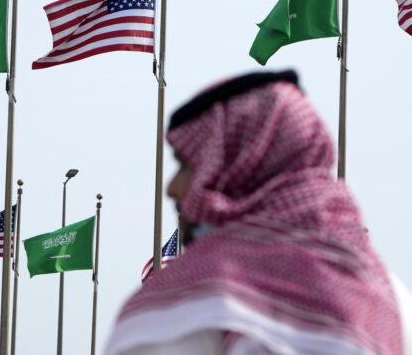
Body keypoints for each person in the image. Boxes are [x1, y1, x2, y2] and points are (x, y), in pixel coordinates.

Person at [105, 70, 410, 355]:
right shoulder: (391, 297)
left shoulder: (194, 301)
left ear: (239, 170)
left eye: (185, 165)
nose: (171, 189)